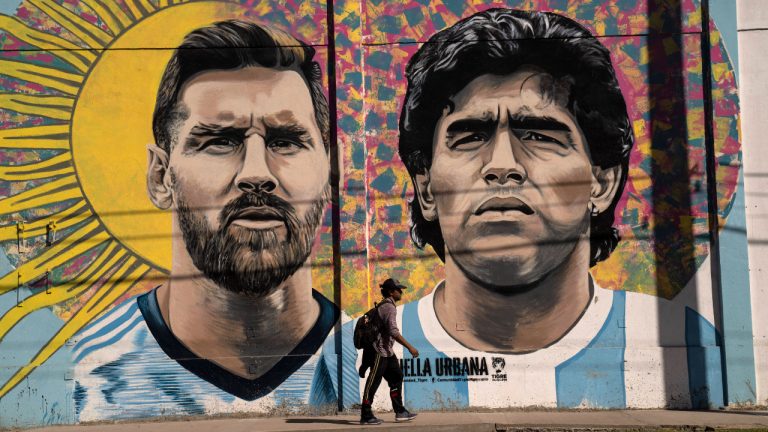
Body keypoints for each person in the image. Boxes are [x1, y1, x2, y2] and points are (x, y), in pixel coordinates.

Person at [394, 8, 720, 409]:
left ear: (602, 182)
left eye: (538, 134)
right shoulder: (359, 351)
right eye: (470, 137)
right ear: (425, 187)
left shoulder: (685, 342)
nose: (502, 166)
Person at [71, 20, 339, 421]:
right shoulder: (85, 375)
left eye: (285, 141)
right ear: (161, 178)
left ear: (331, 175)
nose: (256, 173)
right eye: (220, 141)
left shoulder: (365, 360)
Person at [360, 278, 419, 424]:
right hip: (379, 351)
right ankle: (366, 415)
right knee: (373, 382)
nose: (401, 291)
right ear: (391, 292)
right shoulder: (389, 307)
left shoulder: (387, 306)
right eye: (398, 289)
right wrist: (410, 347)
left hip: (387, 351)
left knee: (396, 377)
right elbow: (393, 331)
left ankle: (400, 411)